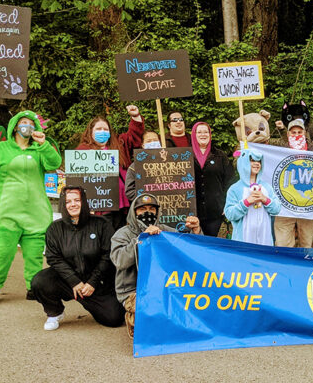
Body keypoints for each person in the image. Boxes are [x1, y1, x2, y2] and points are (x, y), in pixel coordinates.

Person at [0, 110, 63, 306]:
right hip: (6, 213)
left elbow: (55, 163)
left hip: (36, 213)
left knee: (34, 255)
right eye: (24, 122)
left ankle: (34, 288)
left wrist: (43, 144)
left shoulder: (40, 149)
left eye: (31, 123)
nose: (28, 126)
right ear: (15, 126)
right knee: (2, 253)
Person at [31, 187, 125, 330]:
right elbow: (53, 258)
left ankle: (95, 302)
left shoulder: (102, 224)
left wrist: (92, 282)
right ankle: (55, 312)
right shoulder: (54, 228)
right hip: (69, 280)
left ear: (84, 202)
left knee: (114, 318)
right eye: (68, 201)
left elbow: (108, 255)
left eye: (77, 200)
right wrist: (73, 281)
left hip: (97, 282)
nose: (73, 204)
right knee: (40, 281)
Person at [110, 194, 202, 337]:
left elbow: (189, 251)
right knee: (150, 324)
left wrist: (196, 231)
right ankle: (133, 318)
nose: (148, 212)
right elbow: (119, 261)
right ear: (134, 212)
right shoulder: (122, 234)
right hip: (133, 290)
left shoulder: (165, 231)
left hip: (164, 287)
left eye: (152, 209)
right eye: (142, 209)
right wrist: (141, 239)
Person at [76, 105, 144, 229]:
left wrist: (135, 117)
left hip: (122, 202)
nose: (102, 132)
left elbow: (134, 136)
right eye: (98, 129)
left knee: (121, 232)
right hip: (99, 205)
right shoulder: (83, 151)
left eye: (105, 129)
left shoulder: (119, 144)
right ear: (91, 132)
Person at [270, 119, 313, 248]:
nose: (297, 135)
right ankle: (285, 261)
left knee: (306, 242)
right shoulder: (279, 149)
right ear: (288, 134)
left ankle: (303, 261)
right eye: (293, 132)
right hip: (284, 205)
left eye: (299, 132)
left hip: (307, 205)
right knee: (282, 243)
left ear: (304, 133)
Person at [224, 149, 281, 246]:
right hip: (243, 243)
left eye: (259, 161)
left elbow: (277, 209)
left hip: (265, 242)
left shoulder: (267, 187)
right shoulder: (235, 189)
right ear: (243, 162)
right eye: (252, 160)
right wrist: (246, 202)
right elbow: (230, 214)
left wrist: (265, 200)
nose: (257, 164)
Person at [191, 122, 234, 237]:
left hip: (215, 209)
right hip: (192, 210)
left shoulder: (220, 156)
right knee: (195, 242)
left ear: (210, 135)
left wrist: (227, 203)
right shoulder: (186, 155)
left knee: (211, 240)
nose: (203, 134)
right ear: (194, 135)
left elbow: (230, 181)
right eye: (199, 132)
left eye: (206, 132)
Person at [124, 131, 163, 202]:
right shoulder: (135, 167)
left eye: (155, 140)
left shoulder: (169, 162)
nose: (152, 143)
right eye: (149, 141)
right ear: (143, 145)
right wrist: (146, 200)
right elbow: (129, 191)